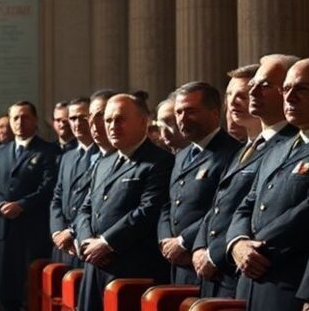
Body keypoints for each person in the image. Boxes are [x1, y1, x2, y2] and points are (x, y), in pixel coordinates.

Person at [191, 63, 295, 298]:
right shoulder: (241, 149)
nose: (233, 102)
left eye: (241, 95)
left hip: (236, 270)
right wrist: (199, 247)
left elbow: (255, 210)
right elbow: (219, 205)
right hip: (213, 272)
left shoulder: (284, 147)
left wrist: (215, 254)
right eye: (229, 95)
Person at [227, 57, 309, 310]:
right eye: (286, 89)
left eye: (302, 89)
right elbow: (248, 203)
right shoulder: (278, 150)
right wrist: (238, 243)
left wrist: (256, 248)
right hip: (252, 284)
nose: (290, 97)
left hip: (293, 285)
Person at [75, 94, 173, 311]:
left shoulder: (160, 162)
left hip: (132, 271)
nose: (112, 126)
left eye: (120, 119)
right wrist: (85, 242)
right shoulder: (104, 162)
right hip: (94, 267)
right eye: (108, 120)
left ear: (143, 121)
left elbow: (149, 210)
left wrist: (107, 243)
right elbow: (85, 208)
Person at [157, 82, 240, 285]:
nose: (182, 119)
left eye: (190, 111)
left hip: (206, 262)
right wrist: (165, 241)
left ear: (214, 113)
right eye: (179, 112)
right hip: (176, 263)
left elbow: (221, 208)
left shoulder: (233, 152)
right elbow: (169, 204)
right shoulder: (182, 155)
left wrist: (184, 241)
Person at [0, 101, 59, 311]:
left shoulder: (47, 150)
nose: (19, 122)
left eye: (25, 117)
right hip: (2, 230)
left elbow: (48, 187)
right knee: (5, 294)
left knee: (30, 291)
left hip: (30, 230)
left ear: (34, 120)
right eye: (15, 117)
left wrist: (22, 205)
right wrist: (0, 205)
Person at [50, 96, 98, 267]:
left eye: (82, 117)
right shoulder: (67, 157)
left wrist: (72, 233)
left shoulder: (106, 155)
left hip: (88, 242)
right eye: (72, 118)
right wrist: (57, 232)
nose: (77, 123)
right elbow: (57, 197)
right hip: (63, 245)